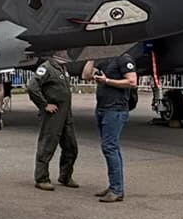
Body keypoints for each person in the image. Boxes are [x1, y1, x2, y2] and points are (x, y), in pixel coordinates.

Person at [82, 49, 138, 202]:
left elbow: (132, 81)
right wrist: (91, 57)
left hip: (116, 110)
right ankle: (114, 185)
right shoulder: (104, 60)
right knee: (110, 148)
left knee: (110, 147)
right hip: (103, 109)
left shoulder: (123, 59)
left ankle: (116, 189)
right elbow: (86, 75)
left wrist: (107, 81)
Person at [25, 52, 78, 191]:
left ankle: (65, 176)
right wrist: (44, 105)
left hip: (66, 115)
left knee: (71, 147)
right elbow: (32, 87)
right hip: (53, 115)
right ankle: (41, 178)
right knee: (47, 146)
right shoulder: (46, 67)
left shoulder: (62, 68)